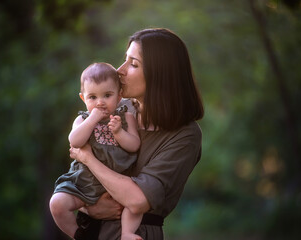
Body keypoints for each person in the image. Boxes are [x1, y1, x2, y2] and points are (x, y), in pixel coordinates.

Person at [69, 28, 204, 240]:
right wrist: (89, 207)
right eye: (125, 60)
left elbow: (138, 200)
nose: (119, 71)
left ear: (159, 74)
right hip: (91, 232)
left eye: (133, 64)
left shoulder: (184, 136)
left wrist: (87, 157)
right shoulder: (115, 110)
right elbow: (78, 177)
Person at [49, 62, 142, 240]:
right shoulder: (82, 120)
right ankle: (80, 235)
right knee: (57, 203)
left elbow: (134, 145)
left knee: (135, 203)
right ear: (83, 98)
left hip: (116, 183)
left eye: (107, 95)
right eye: (92, 97)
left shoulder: (126, 117)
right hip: (83, 183)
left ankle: (127, 233)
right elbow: (74, 141)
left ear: (119, 95)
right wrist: (92, 120)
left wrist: (119, 132)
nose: (100, 103)